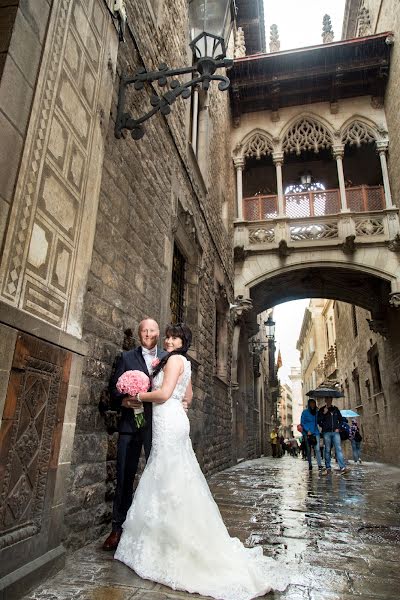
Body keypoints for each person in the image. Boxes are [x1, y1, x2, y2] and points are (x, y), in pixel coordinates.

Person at [115, 323, 288, 599]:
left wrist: (136, 396)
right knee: (173, 475)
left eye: (175, 337)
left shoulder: (173, 360)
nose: (169, 340)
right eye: (169, 336)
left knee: (167, 475)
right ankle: (167, 537)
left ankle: (169, 545)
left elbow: (162, 394)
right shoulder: (184, 362)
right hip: (172, 420)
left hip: (166, 420)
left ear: (183, 342)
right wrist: (180, 408)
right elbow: (188, 396)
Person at [102, 318, 168, 551]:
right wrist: (125, 399)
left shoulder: (167, 358)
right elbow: (113, 391)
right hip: (130, 426)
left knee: (156, 476)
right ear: (139, 334)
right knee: (123, 476)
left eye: (152, 330)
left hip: (157, 426)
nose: (148, 334)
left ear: (158, 332)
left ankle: (154, 530)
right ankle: (117, 529)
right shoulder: (127, 358)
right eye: (144, 330)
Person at [317, 396, 349, 475]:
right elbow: (318, 421)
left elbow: (341, 420)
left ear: (331, 400)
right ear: (325, 400)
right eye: (327, 399)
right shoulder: (321, 410)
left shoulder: (336, 409)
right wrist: (324, 414)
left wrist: (338, 428)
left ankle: (342, 467)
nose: (329, 401)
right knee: (327, 450)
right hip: (326, 432)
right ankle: (328, 467)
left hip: (335, 432)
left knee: (338, 449)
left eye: (330, 399)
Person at [300, 398, 323, 472]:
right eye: (311, 403)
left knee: (317, 449)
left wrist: (321, 413)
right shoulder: (305, 412)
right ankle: (310, 464)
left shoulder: (316, 412)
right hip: (307, 434)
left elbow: (319, 421)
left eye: (314, 403)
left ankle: (319, 465)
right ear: (309, 404)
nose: (312, 405)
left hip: (316, 432)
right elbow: (302, 423)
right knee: (308, 449)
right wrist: (307, 430)